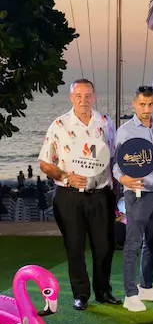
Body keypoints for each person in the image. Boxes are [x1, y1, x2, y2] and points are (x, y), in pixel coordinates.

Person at [38, 78, 120, 310]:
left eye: (88, 95)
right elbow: (45, 163)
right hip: (70, 195)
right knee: (74, 248)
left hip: (101, 194)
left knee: (104, 246)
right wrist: (66, 176)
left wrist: (116, 192)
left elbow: (114, 158)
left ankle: (103, 291)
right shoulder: (59, 125)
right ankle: (80, 294)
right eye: (79, 95)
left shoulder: (105, 123)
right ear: (71, 97)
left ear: (94, 97)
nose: (84, 100)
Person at [113, 86, 153, 312]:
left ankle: (146, 287)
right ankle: (130, 295)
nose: (147, 109)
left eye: (151, 104)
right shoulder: (125, 131)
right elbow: (116, 164)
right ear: (134, 104)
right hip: (137, 194)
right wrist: (124, 179)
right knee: (133, 244)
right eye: (142, 105)